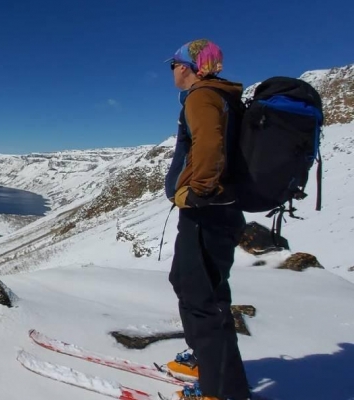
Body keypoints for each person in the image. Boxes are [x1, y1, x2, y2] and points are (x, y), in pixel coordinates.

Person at [163, 39, 251, 400]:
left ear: (186, 66)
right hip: (217, 212)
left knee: (202, 297)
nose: (171, 71)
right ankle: (206, 360)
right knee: (189, 284)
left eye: (173, 65)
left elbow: (209, 145)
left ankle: (219, 391)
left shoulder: (202, 96)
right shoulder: (220, 97)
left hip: (207, 212)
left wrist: (197, 191)